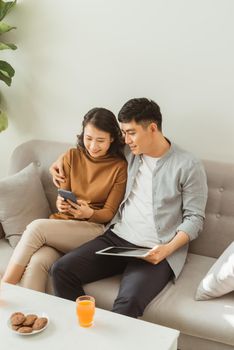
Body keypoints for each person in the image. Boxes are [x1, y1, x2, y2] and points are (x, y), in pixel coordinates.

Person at [50, 98, 208, 319]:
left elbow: (195, 219)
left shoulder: (188, 165)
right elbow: (88, 148)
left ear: (152, 128)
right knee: (61, 270)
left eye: (131, 132)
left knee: (128, 302)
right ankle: (85, 333)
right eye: (123, 133)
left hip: (156, 250)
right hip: (117, 239)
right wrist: (56, 163)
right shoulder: (129, 151)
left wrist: (167, 249)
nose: (126, 139)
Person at [2, 107, 127, 291]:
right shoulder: (72, 156)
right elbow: (63, 198)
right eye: (88, 138)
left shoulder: (119, 167)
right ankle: (30, 317)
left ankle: (5, 289)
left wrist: (89, 212)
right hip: (64, 226)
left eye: (100, 140)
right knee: (37, 263)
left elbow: (108, 213)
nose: (93, 146)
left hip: (92, 230)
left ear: (112, 138)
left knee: (36, 227)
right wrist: (62, 205)